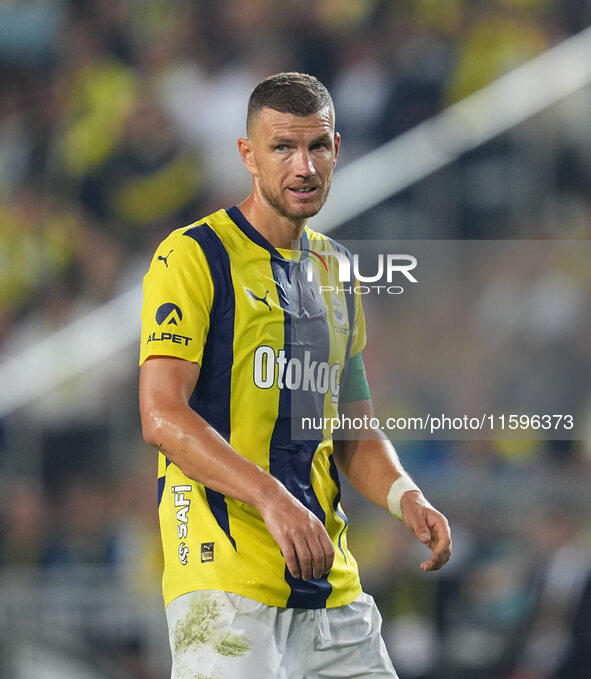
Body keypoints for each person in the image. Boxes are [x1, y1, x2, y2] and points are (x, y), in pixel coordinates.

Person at [139, 71, 452, 679]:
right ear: (247, 155)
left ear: (338, 150)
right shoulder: (192, 256)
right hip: (224, 587)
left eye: (318, 146)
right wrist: (271, 499)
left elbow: (354, 430)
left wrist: (405, 496)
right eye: (283, 147)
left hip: (329, 587)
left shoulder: (338, 271)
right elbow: (161, 415)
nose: (303, 166)